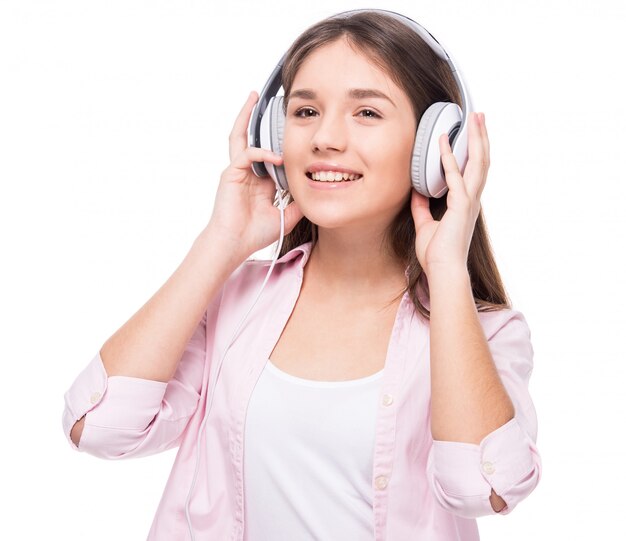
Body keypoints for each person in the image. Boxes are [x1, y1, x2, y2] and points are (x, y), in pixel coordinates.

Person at [62, 9, 541, 541]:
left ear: (435, 148)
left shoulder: (488, 333)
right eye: (306, 110)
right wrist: (220, 243)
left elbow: (481, 488)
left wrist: (448, 271)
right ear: (274, 132)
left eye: (366, 113)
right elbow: (98, 427)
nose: (325, 138)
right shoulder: (236, 300)